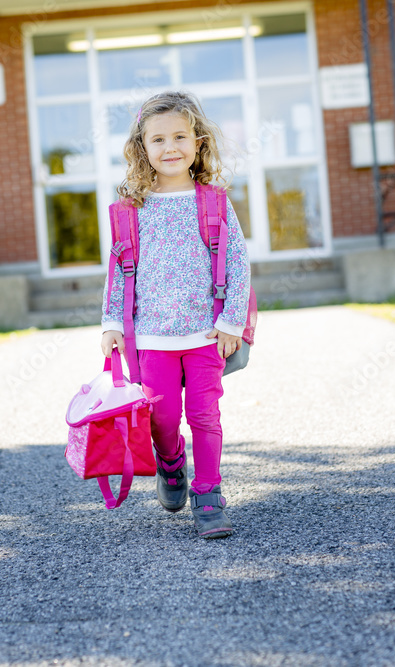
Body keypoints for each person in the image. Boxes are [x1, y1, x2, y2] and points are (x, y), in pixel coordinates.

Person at [100, 91, 251, 539]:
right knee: (162, 420)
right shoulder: (133, 209)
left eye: (181, 136)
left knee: (205, 414)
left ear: (199, 142)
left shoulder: (215, 202)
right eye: (159, 139)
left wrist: (231, 322)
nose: (171, 147)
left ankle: (209, 494)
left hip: (206, 333)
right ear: (142, 149)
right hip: (151, 338)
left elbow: (239, 263)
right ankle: (171, 464)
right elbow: (118, 270)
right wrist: (112, 323)